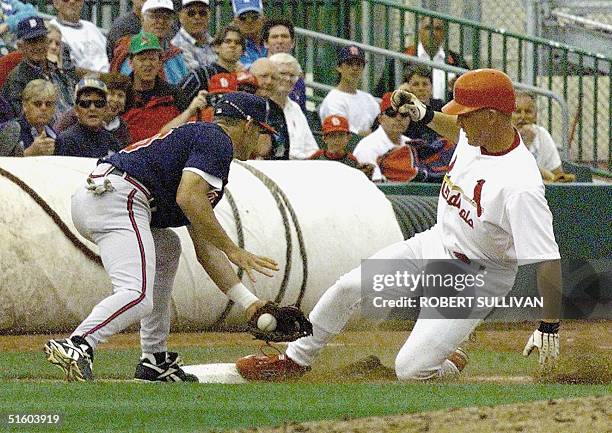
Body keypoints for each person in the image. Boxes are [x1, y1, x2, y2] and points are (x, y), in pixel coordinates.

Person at [236, 68, 562, 382]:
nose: (460, 121)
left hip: (475, 276)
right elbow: (458, 131)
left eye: (466, 113)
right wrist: (426, 115)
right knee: (347, 287)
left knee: (411, 370)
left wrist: (549, 325)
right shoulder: (480, 135)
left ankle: (451, 360)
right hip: (436, 243)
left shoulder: (520, 185)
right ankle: (295, 360)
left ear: (490, 115)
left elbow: (547, 259)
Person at [44, 91, 279, 382]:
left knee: (168, 246)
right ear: (247, 125)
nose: (262, 141)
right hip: (120, 197)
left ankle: (153, 359)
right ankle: (77, 344)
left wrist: (248, 302)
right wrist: (234, 249)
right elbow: (189, 197)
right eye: (261, 131)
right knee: (137, 294)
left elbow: (205, 246)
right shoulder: (217, 140)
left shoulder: (202, 142)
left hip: (103, 197)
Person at [376, 17, 469, 100]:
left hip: (445, 117)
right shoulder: (401, 58)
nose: (433, 33)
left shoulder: (456, 60)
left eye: (438, 29)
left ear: (444, 33)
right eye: (428, 28)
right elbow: (381, 93)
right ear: (419, 32)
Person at [1, 16, 78, 115]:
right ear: (21, 47)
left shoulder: (58, 71)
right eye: (32, 42)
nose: (38, 46)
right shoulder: (17, 80)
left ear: (46, 42)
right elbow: (25, 119)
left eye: (41, 40)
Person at [120, 32, 183, 142]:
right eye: (142, 59)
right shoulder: (121, 94)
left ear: (160, 63)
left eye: (152, 59)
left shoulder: (174, 94)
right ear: (130, 63)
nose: (148, 64)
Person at [111, 0, 189, 85]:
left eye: (166, 17)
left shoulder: (175, 54)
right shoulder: (131, 49)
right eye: (155, 17)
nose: (161, 22)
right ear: (142, 19)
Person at [353, 92, 427, 183]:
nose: (399, 118)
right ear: (380, 119)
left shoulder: (410, 143)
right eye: (392, 113)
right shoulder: (367, 147)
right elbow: (376, 185)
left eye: (404, 114)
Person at [54, 73, 132, 149]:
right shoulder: (69, 124)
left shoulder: (120, 131)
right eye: (111, 94)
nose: (115, 100)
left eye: (120, 96)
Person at [177, 25, 245, 111]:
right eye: (227, 41)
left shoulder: (244, 81)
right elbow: (176, 100)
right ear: (216, 47)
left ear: (243, 51)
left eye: (237, 43)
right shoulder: (201, 74)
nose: (233, 45)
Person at [512, 92, 575, 183]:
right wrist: (526, 144)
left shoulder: (542, 135)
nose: (523, 117)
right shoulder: (502, 136)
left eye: (528, 112)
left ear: (535, 116)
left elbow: (557, 174)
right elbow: (515, 173)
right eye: (517, 112)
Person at [319, 45, 380, 137]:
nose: (354, 68)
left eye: (359, 64)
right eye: (349, 64)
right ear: (339, 67)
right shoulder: (333, 100)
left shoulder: (369, 98)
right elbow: (342, 133)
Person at [268, 53, 318, 160]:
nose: (287, 79)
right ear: (271, 76)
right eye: (282, 73)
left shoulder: (296, 108)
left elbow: (312, 150)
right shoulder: (261, 106)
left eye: (292, 75)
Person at [0, 78, 57, 156]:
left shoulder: (53, 134)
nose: (44, 108)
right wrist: (28, 153)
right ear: (25, 106)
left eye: (48, 104)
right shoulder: (11, 129)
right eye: (37, 104)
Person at [50, 0, 109, 73]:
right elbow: (67, 70)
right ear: (55, 2)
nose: (72, 1)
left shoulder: (91, 27)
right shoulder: (53, 30)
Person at [261, 18, 305, 112]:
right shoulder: (258, 73)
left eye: (284, 36)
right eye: (274, 37)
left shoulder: (298, 79)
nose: (280, 41)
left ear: (293, 43)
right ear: (265, 43)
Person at [310, 114, 374, 179]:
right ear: (325, 138)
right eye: (333, 136)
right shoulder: (317, 157)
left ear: (348, 137)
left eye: (341, 135)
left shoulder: (351, 160)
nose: (337, 140)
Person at [249, 57, 289, 160]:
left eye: (274, 78)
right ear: (250, 77)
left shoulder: (276, 109)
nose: (269, 81)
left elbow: (284, 148)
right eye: (264, 76)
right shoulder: (241, 105)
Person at [171, 0, 215, 71]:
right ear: (180, 17)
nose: (197, 17)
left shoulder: (216, 43)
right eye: (191, 13)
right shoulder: (175, 49)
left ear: (209, 16)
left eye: (202, 13)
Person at [231, 0, 265, 69]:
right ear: (235, 22)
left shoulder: (272, 42)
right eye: (243, 18)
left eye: (254, 17)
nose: (249, 21)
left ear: (263, 19)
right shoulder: (232, 46)